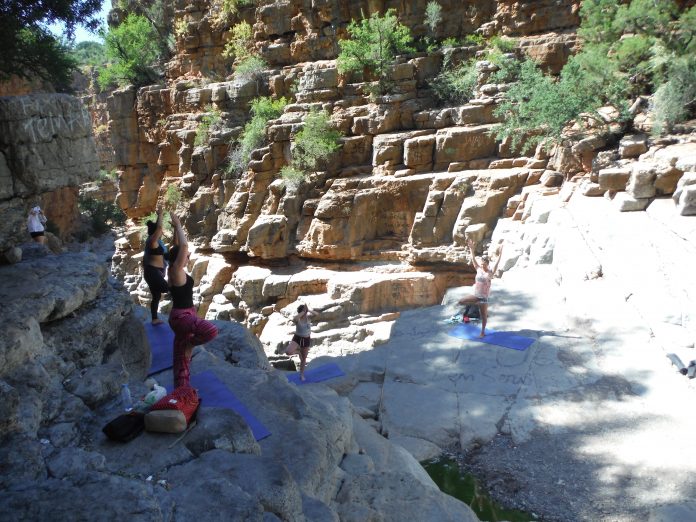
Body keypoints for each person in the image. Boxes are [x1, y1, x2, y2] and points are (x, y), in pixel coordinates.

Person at [168, 212, 218, 388]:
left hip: (186, 314)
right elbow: (183, 246)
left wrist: (175, 229)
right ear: (179, 259)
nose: (188, 257)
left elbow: (176, 247)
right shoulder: (176, 270)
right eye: (186, 256)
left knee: (182, 362)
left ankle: (181, 391)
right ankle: (189, 344)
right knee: (210, 331)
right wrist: (179, 224)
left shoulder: (174, 269)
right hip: (182, 318)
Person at [458, 239, 503, 337]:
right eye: (481, 264)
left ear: (487, 264)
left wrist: (500, 254)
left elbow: (497, 263)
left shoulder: (490, 273)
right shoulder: (478, 269)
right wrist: (471, 249)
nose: (482, 265)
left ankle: (482, 332)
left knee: (483, 316)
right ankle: (476, 303)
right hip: (476, 296)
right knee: (461, 301)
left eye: (484, 264)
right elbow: (473, 259)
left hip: (483, 298)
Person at [143, 207, 170, 325]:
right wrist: (160, 215)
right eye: (158, 232)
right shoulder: (152, 242)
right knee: (170, 289)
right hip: (152, 272)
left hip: (154, 273)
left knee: (156, 296)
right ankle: (181, 316)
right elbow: (159, 228)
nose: (161, 233)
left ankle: (154, 319)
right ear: (154, 233)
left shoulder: (157, 242)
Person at [284, 304, 318, 382]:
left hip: (306, 339)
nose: (306, 312)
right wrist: (303, 312)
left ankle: (302, 374)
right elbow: (294, 318)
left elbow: (317, 314)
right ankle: (298, 352)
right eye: (304, 311)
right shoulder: (298, 320)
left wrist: (308, 310)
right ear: (301, 312)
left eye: (305, 311)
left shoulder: (309, 318)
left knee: (304, 359)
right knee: (288, 352)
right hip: (297, 338)